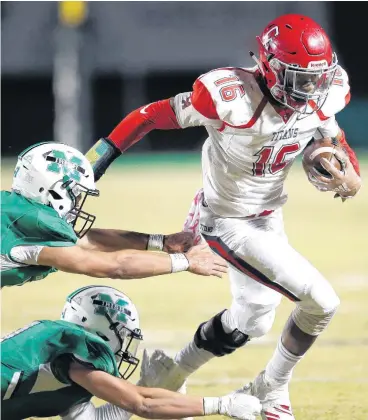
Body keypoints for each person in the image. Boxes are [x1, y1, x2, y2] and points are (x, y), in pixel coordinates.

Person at [84, 13, 362, 419]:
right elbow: (148, 115)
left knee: (252, 320)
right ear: (269, 67)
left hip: (268, 217)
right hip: (226, 221)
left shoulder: (323, 92)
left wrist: (346, 170)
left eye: (315, 77)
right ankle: (271, 389)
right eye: (298, 78)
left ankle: (169, 372)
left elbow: (331, 138)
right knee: (321, 301)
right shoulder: (229, 96)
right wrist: (95, 161)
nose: (309, 88)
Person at [1, 284, 261, 420]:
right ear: (100, 331)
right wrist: (221, 404)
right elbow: (144, 404)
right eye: (123, 336)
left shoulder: (63, 364)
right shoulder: (76, 361)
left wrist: (142, 386)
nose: (124, 346)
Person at [1, 142, 227, 288]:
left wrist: (161, 242)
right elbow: (113, 266)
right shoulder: (32, 225)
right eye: (76, 193)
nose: (78, 201)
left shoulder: (17, 211)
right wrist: (185, 261)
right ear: (51, 189)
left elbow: (84, 239)